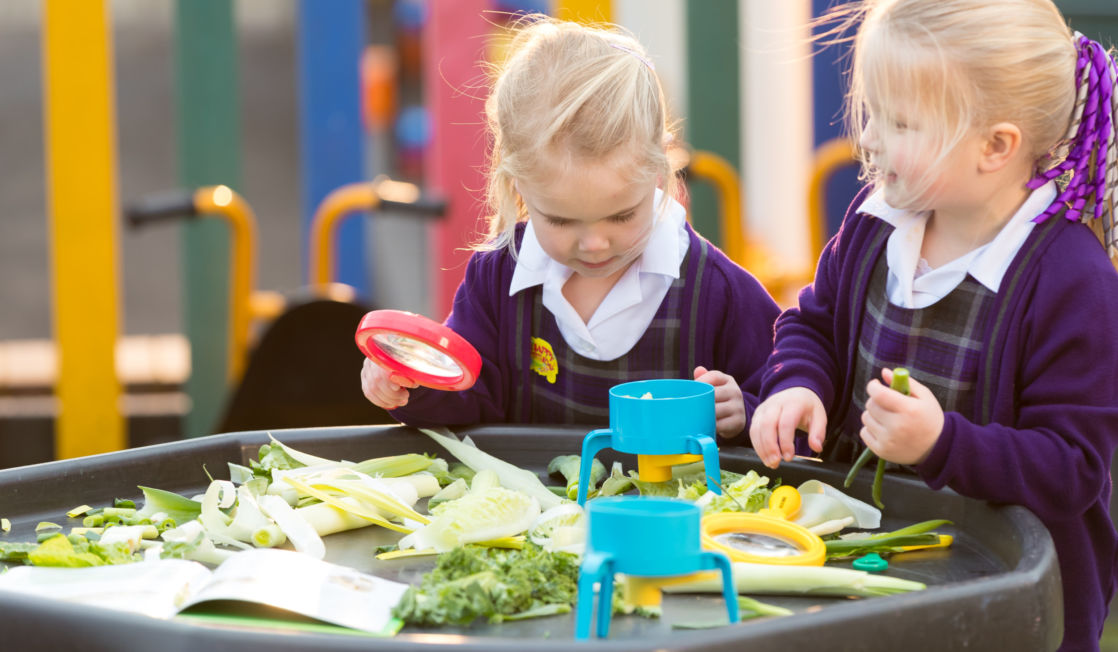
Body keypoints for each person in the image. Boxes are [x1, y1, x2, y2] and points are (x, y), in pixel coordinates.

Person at [749, 1, 1118, 648]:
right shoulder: (876, 219)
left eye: (900, 123)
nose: (869, 141)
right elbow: (812, 323)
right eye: (873, 114)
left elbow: (1072, 468)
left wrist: (940, 443)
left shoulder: (1072, 279)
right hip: (864, 570)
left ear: (995, 146)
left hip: (1006, 603)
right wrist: (797, 384)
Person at [361, 17, 780, 442]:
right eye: (561, 220)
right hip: (535, 507)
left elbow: (790, 399)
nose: (595, 244)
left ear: (659, 170)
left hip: (674, 508)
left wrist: (745, 409)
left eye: (621, 216)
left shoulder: (719, 291)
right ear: (517, 185)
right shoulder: (497, 277)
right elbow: (468, 395)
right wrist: (410, 386)